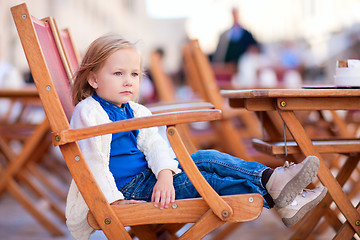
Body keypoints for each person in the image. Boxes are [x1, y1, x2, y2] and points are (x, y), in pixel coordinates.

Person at [66, 34, 327, 240]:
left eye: (134, 74)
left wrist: (165, 174)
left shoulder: (136, 110)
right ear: (93, 79)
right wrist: (116, 202)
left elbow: (155, 145)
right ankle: (280, 195)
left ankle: (272, 179)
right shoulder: (89, 112)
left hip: (153, 181)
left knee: (206, 157)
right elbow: (91, 164)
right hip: (129, 191)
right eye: (118, 73)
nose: (128, 81)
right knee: (208, 181)